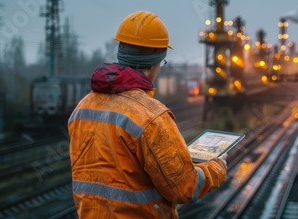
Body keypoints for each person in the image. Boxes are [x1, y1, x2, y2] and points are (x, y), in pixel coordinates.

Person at [68, 10, 228, 218]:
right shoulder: (151, 116)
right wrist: (217, 167)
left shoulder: (82, 108)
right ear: (155, 63)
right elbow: (183, 188)